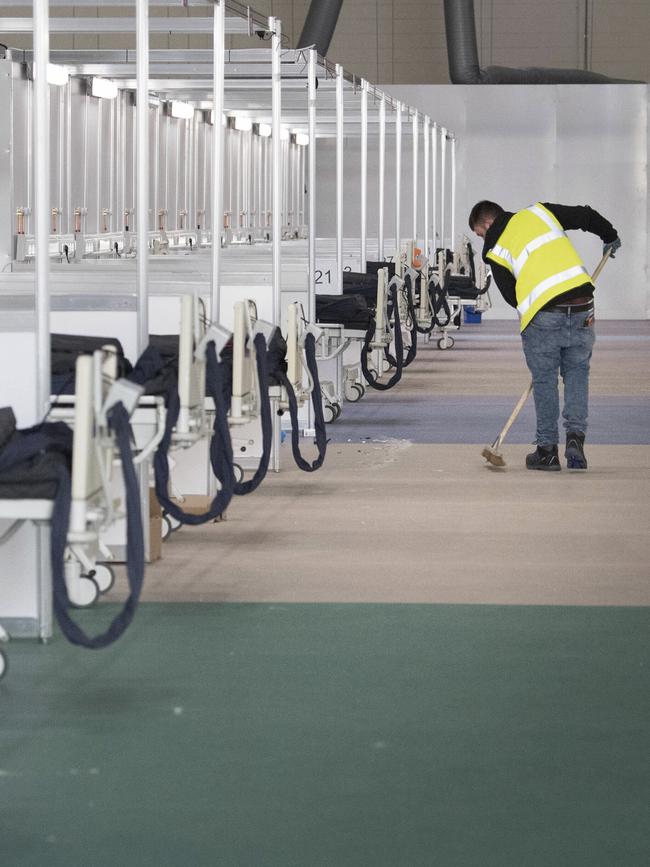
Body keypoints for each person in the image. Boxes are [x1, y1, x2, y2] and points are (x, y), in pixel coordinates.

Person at [469, 200, 621, 471]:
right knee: (577, 373)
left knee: (545, 380)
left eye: (480, 233)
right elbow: (585, 216)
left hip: (543, 311)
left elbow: (513, 296)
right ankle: (575, 440)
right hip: (582, 300)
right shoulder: (540, 212)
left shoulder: (495, 247)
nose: (483, 239)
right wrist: (609, 235)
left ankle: (547, 451)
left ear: (488, 224)